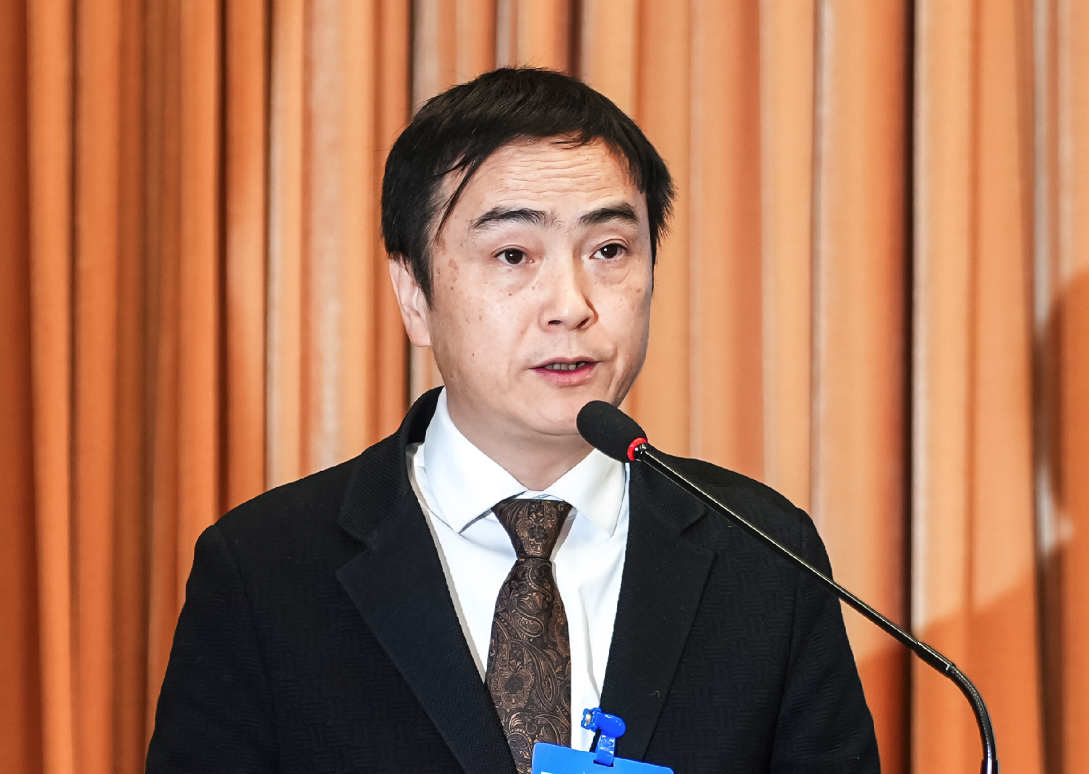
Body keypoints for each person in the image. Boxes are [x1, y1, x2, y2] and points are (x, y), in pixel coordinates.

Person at [146, 67, 879, 774]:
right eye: (513, 254)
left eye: (609, 250)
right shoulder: (264, 570)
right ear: (413, 293)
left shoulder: (764, 555)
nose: (571, 305)